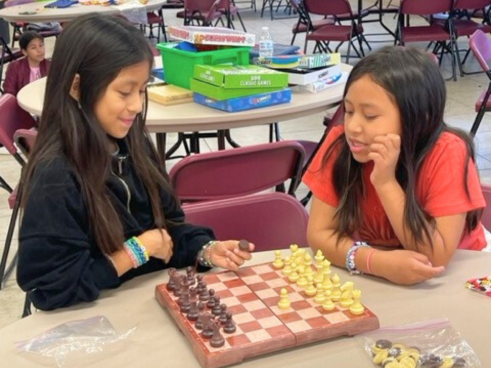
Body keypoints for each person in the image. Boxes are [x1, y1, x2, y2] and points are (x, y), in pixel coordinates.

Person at [17, 14, 254, 311]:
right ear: (77, 87)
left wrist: (206, 250)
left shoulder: (134, 144)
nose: (137, 105)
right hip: (93, 323)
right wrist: (137, 251)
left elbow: (168, 230)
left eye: (141, 90)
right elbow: (52, 287)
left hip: (147, 304)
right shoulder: (56, 175)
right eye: (124, 92)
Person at [303, 46, 486, 286]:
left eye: (370, 116)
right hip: (382, 275)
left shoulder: (448, 151)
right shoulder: (340, 145)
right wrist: (375, 262)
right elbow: (318, 235)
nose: (353, 127)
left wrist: (386, 182)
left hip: (457, 275)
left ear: (419, 119)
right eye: (348, 111)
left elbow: (435, 257)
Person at [3, 31, 50, 96]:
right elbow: (9, 93)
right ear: (24, 52)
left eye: (41, 45)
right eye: (33, 48)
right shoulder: (15, 67)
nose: (39, 50)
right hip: (21, 104)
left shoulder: (50, 65)